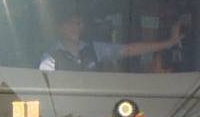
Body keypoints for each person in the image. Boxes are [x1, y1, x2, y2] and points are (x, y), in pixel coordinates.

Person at [38, 11, 184, 72]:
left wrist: (168, 43)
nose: (75, 27)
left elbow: (129, 49)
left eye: (79, 23)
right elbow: (47, 89)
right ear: (60, 28)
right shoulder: (50, 57)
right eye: (70, 23)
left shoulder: (94, 49)